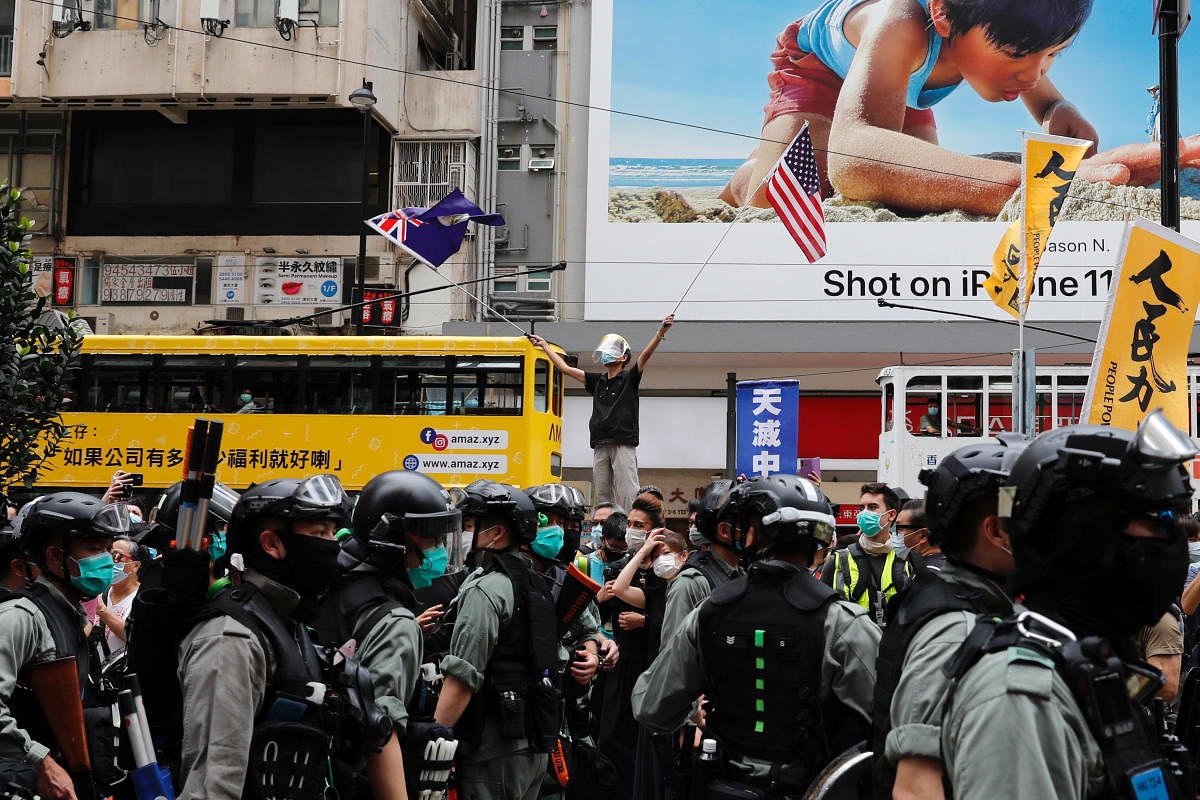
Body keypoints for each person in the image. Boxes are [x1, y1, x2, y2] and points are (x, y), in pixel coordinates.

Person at [718, 0, 1191, 217]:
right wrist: (1034, 182)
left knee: (914, 191)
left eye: (1053, 54)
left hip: (909, 86)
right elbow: (859, 159)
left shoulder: (1008, 41)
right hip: (824, 71)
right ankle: (744, 177)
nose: (1034, 74)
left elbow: (1048, 102)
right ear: (942, 13)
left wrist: (1059, 115)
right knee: (784, 194)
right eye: (1019, 54)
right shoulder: (899, 21)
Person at [940, 411, 1197, 798]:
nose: (1175, 538)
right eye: (1158, 518)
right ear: (1083, 535)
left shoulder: (1091, 665)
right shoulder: (1021, 696)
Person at [631, 474, 880, 794]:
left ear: (751, 536)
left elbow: (651, 707)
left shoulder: (708, 614)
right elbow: (895, 721)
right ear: (819, 540)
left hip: (721, 785)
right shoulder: (844, 623)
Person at [173, 475, 393, 800]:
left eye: (334, 533)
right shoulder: (232, 638)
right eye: (319, 533)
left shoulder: (288, 622)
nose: (333, 546)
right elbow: (213, 786)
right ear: (272, 544)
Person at [872, 439, 1022, 800]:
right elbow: (916, 788)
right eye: (1030, 518)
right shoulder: (954, 628)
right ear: (995, 531)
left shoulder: (976, 602)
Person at [315, 470, 460, 800]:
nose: (439, 551)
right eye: (432, 540)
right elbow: (380, 732)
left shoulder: (330, 584)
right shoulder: (397, 623)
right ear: (394, 536)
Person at [432, 480, 573, 800]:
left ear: (496, 533)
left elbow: (463, 677)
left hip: (492, 753)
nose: (465, 534)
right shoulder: (536, 583)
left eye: (470, 525)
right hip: (533, 746)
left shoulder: (485, 589)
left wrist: (433, 740)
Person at [0, 493, 126, 800]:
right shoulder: (22, 617)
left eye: (108, 549)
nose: (107, 560)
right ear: (55, 557)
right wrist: (39, 759)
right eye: (95, 550)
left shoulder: (72, 615)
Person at [529, 316, 674, 510]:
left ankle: (634, 529)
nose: (607, 353)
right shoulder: (597, 381)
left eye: (613, 350)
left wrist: (660, 333)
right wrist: (545, 345)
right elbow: (564, 368)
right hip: (600, 442)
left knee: (629, 493)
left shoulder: (629, 378)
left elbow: (645, 355)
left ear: (623, 358)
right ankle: (605, 531)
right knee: (603, 496)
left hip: (623, 442)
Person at [659, 479, 741, 649]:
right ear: (725, 530)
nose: (757, 532)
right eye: (747, 523)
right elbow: (674, 658)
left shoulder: (742, 575)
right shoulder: (690, 584)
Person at [821, 482, 912, 625]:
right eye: (861, 508)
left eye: (872, 507)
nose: (864, 513)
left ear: (891, 515)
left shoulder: (907, 562)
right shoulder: (839, 561)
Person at [96, 535, 146, 655]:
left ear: (135, 565)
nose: (109, 562)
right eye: (107, 555)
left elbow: (135, 637)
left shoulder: (142, 600)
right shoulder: (100, 591)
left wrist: (102, 610)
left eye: (116, 556)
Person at [892, 498, 944, 570]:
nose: (893, 534)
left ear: (923, 536)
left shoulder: (932, 574)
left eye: (899, 528)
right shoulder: (921, 567)